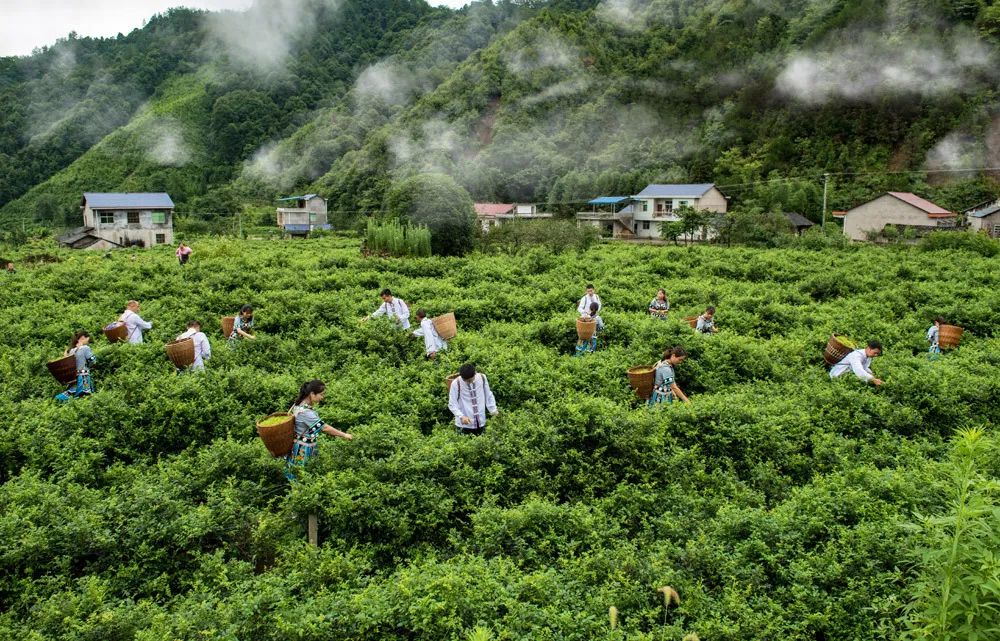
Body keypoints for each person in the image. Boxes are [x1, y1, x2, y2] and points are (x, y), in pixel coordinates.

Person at [285, 380, 353, 481]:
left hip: (303, 446)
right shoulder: (305, 412)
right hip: (302, 449)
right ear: (312, 394)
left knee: (304, 477)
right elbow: (324, 428)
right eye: (321, 394)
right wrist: (344, 435)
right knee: (300, 478)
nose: (322, 397)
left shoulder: (298, 405)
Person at [448, 363, 498, 436]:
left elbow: (488, 396)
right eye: (466, 380)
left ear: (475, 374)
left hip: (480, 422)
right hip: (464, 425)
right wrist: (461, 416)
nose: (468, 382)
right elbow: (452, 404)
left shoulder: (482, 378)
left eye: (470, 380)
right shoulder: (456, 383)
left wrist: (494, 411)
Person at [55, 331, 96, 401]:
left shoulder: (71, 351)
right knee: (85, 395)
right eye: (88, 339)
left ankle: (58, 401)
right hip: (84, 376)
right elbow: (92, 360)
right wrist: (89, 366)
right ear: (83, 338)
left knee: (73, 393)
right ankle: (59, 399)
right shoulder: (85, 348)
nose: (88, 341)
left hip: (74, 377)